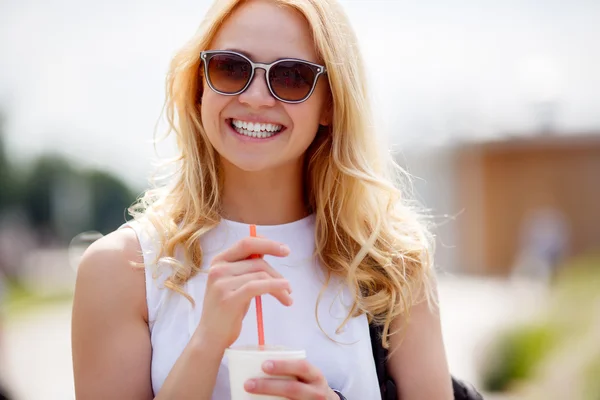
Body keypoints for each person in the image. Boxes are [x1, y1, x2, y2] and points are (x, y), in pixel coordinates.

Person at [71, 0, 454, 399]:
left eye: (291, 76)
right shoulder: (122, 271)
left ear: (330, 103)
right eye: (231, 67)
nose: (255, 97)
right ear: (199, 85)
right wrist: (206, 343)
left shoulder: (392, 266)